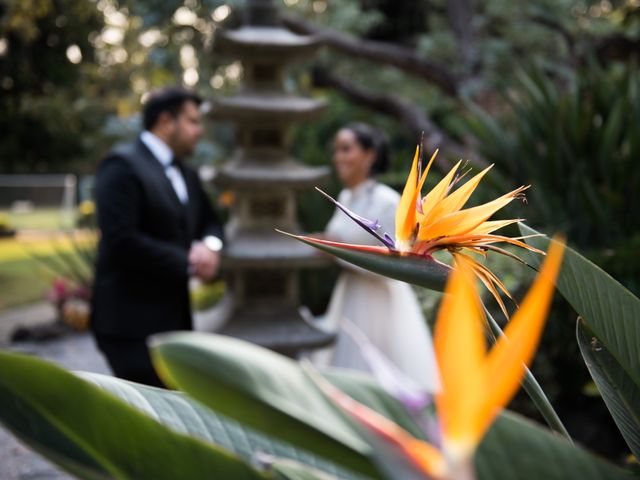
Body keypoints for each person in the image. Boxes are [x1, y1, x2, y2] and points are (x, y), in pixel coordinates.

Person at [91, 87, 224, 387]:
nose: (199, 131)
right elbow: (121, 239)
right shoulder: (121, 166)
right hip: (129, 325)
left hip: (174, 323)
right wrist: (189, 261)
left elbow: (212, 224)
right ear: (166, 122)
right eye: (192, 121)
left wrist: (210, 248)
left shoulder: (187, 174)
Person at [315, 123, 440, 392]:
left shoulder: (388, 201)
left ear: (369, 156)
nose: (338, 157)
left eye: (346, 149)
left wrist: (337, 251)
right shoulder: (345, 196)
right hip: (349, 297)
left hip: (380, 304)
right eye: (336, 150)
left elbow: (398, 262)